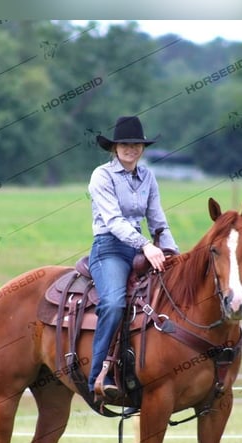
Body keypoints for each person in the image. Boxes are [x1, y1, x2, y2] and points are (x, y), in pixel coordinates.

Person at [87, 116, 179, 400]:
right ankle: (97, 377)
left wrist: (173, 253)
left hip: (141, 248)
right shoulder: (101, 175)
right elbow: (113, 220)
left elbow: (157, 219)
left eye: (137, 144)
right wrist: (145, 246)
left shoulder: (148, 176)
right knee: (114, 303)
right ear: (114, 148)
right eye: (125, 144)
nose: (131, 149)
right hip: (109, 247)